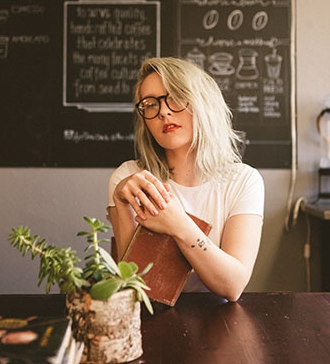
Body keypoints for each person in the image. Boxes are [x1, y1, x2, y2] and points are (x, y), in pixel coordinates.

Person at [107, 57, 264, 302]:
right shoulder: (128, 179)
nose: (164, 112)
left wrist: (178, 224)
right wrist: (122, 205)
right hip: (150, 315)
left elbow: (233, 286)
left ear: (203, 103)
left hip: (219, 320)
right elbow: (133, 286)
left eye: (175, 97)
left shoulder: (244, 181)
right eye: (150, 104)